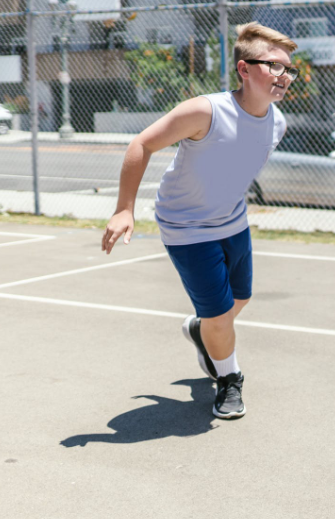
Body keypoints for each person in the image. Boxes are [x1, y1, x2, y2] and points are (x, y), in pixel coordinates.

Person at [101, 22, 298, 419]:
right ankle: (229, 380)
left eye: (289, 69)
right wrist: (125, 208)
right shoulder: (204, 111)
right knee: (221, 318)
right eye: (274, 66)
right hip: (187, 228)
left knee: (239, 300)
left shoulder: (277, 123)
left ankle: (200, 328)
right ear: (244, 69)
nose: (284, 76)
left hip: (233, 223)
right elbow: (142, 143)